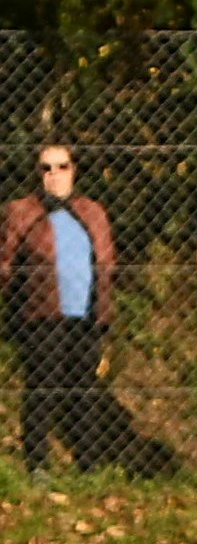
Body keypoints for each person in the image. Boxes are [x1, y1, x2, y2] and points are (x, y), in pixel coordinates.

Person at [0, 144, 118, 473]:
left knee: (84, 389)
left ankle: (88, 464)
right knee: (43, 387)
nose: (54, 175)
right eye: (46, 168)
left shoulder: (92, 212)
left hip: (86, 315)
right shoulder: (22, 211)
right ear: (37, 174)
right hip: (41, 316)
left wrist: (104, 311)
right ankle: (37, 463)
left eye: (61, 167)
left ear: (74, 170)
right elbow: (6, 266)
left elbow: (107, 263)